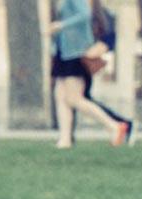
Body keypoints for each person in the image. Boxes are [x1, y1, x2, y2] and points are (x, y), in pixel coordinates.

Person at [49, 0, 133, 149]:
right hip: (64, 51)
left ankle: (114, 126)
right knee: (60, 96)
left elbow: (84, 15)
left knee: (73, 98)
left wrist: (61, 25)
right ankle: (65, 139)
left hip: (75, 51)